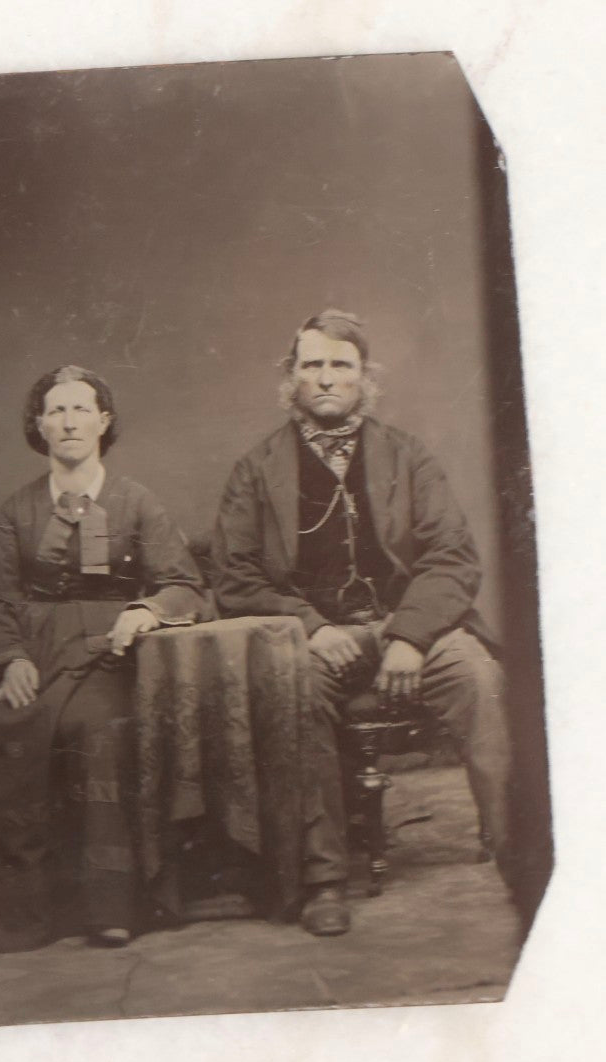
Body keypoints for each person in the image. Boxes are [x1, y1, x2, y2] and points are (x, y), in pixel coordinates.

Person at [211, 309, 512, 937]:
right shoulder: (256, 470)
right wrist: (313, 628)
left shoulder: (408, 456)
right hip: (312, 640)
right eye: (311, 365)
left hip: (411, 630)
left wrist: (409, 635)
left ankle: (512, 841)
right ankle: (324, 878)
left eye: (339, 365)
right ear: (290, 378)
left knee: (477, 675)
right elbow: (235, 574)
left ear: (363, 378)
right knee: (294, 693)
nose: (325, 379)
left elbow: (452, 555)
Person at [0, 364, 207, 947]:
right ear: (39, 426)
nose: (69, 422)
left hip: (111, 653)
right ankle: (30, 900)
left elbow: (185, 584)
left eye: (81, 409)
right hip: (34, 649)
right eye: (56, 411)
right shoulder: (15, 511)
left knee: (95, 727)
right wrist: (10, 658)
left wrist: (145, 611)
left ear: (104, 421)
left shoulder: (137, 502)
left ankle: (109, 903)